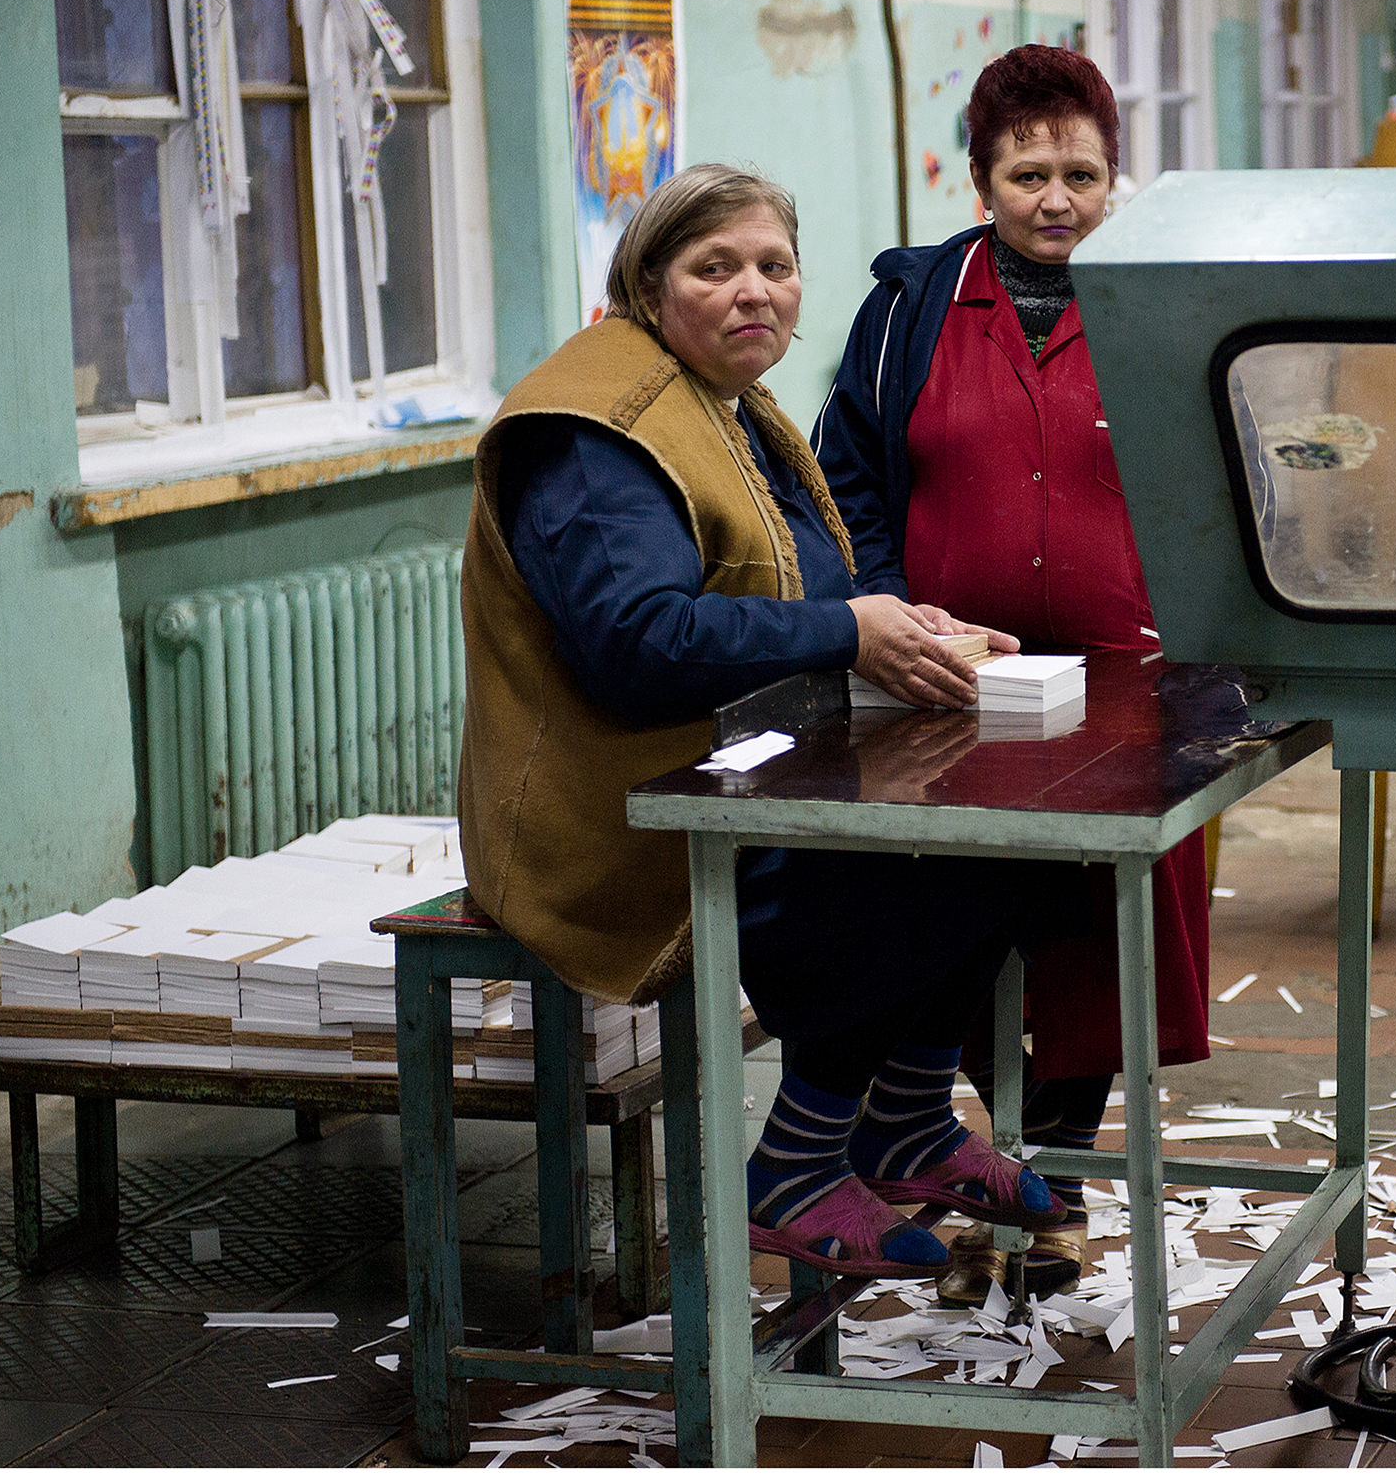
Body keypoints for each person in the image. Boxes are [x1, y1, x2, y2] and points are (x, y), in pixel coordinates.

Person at [457, 162, 1068, 1279]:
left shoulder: (724, 403)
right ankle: (791, 1167)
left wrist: (904, 625)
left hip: (727, 771)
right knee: (900, 882)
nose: (754, 292)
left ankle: (906, 1121)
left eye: (774, 267)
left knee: (1016, 836)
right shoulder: (598, 431)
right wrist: (848, 630)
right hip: (608, 816)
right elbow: (638, 645)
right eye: (715, 267)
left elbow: (799, 581)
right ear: (648, 285)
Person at [814, 46, 1213, 1300]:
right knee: (950, 928)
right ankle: (965, 1162)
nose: (1057, 197)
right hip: (946, 694)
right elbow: (851, 478)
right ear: (980, 181)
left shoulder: (1162, 300)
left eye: (1080, 172)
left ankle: (1060, 1176)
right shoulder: (912, 307)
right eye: (1027, 172)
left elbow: (1221, 473)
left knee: (1093, 937)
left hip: (1126, 692)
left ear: (1115, 176)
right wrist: (883, 608)